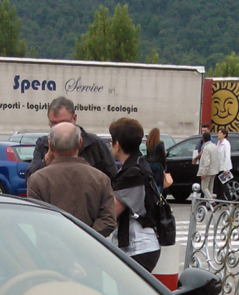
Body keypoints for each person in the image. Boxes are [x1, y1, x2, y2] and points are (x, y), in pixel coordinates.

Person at [24, 121, 116, 237]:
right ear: (80, 143)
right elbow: (108, 221)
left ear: (50, 146)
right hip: (89, 250)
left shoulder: (37, 180)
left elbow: (36, 220)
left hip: (50, 250)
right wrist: (85, 236)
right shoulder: (100, 179)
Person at [108, 117, 161, 272]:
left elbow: (111, 212)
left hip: (137, 249)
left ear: (117, 145)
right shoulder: (139, 163)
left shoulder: (131, 173)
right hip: (144, 247)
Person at [25, 96, 116, 182]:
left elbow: (112, 178)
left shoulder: (94, 144)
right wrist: (48, 158)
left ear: (74, 118)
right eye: (54, 124)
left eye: (63, 122)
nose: (59, 128)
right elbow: (30, 179)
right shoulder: (43, 143)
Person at [196, 131, 220, 200]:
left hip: (208, 171)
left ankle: (211, 201)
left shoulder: (206, 148)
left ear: (203, 139)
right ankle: (208, 204)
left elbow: (206, 162)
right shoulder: (214, 146)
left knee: (204, 187)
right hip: (214, 170)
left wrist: (203, 172)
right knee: (210, 188)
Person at [215, 128, 233, 198]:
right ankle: (219, 201)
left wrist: (225, 169)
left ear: (224, 135)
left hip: (224, 168)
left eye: (220, 133)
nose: (218, 134)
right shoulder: (218, 143)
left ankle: (230, 200)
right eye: (218, 133)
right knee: (218, 185)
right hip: (218, 167)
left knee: (224, 184)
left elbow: (227, 156)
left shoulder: (226, 143)